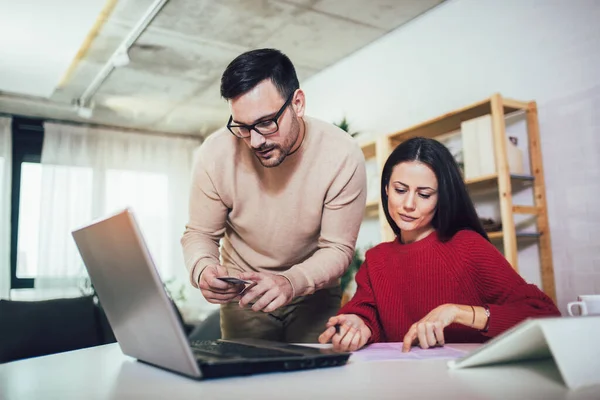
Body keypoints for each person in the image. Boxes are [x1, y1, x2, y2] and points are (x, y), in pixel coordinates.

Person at [181, 48, 367, 343]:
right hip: (244, 297)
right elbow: (199, 234)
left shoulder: (341, 154)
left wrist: (290, 282)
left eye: (266, 122)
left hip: (314, 296)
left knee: (313, 386)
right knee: (247, 386)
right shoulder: (214, 153)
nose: (255, 141)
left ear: (298, 103)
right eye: (242, 127)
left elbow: (338, 249)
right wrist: (202, 268)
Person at [318, 136, 560, 352]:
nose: (409, 204)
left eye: (424, 194)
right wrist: (357, 325)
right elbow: (368, 315)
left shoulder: (468, 247)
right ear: (386, 190)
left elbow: (545, 314)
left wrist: (456, 312)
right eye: (400, 190)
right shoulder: (376, 259)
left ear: (441, 197)